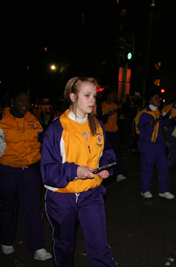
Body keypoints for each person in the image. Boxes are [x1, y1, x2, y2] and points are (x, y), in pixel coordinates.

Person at [41, 77, 117, 267]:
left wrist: (106, 168)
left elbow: (107, 152)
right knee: (65, 246)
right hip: (62, 197)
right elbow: (48, 171)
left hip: (91, 194)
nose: (93, 100)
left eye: (94, 96)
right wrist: (75, 170)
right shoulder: (57, 128)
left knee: (99, 245)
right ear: (73, 97)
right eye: (87, 95)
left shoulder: (97, 125)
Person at [0, 90, 52, 260]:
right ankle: (6, 240)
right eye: (21, 100)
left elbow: (43, 143)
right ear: (12, 101)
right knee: (8, 207)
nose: (25, 103)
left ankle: (38, 248)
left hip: (30, 170)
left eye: (27, 100)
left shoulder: (33, 120)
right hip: (6, 170)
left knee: (33, 208)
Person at [135, 90, 174, 199]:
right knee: (147, 167)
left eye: (159, 98)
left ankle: (164, 190)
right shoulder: (143, 113)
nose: (159, 100)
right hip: (147, 144)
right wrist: (149, 125)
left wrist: (171, 121)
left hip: (160, 144)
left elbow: (164, 126)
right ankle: (145, 189)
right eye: (156, 98)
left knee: (164, 167)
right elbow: (138, 130)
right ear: (150, 100)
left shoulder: (161, 113)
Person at [98, 88, 128, 182]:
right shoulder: (101, 106)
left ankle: (119, 173)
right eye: (112, 94)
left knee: (117, 153)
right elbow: (99, 121)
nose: (114, 96)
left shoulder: (115, 106)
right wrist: (106, 115)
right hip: (106, 134)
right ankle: (105, 173)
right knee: (106, 155)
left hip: (115, 133)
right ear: (107, 95)